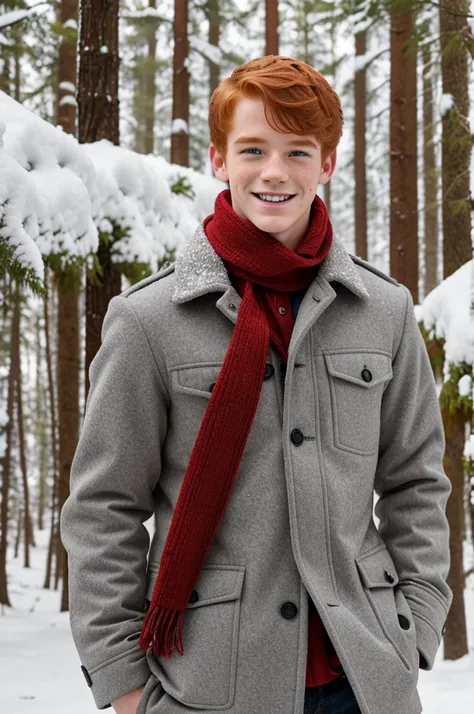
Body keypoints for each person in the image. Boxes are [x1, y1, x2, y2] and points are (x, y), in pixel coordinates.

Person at [60, 55, 452, 714]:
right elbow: (103, 509)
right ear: (219, 158)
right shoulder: (150, 320)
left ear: (327, 164)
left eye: (299, 151)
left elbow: (416, 480)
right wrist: (123, 682)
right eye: (253, 149)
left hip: (365, 679)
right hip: (209, 685)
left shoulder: (382, 310)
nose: (275, 171)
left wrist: (416, 622)